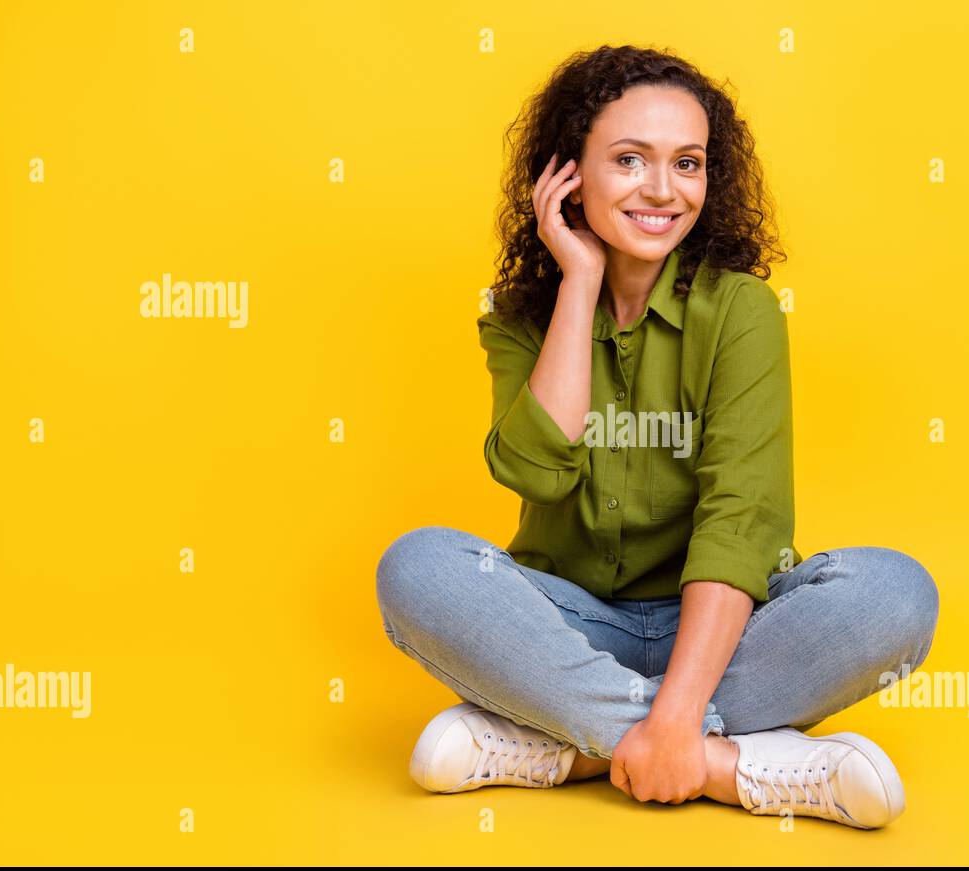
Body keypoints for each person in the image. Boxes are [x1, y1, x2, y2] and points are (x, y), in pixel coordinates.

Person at [375, 45, 939, 829]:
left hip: (717, 628)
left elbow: (743, 520)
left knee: (897, 595)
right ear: (568, 174)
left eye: (688, 163)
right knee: (418, 568)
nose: (663, 190)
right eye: (630, 160)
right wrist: (578, 282)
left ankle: (570, 748)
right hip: (569, 622)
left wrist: (674, 712)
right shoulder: (519, 319)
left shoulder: (741, 311)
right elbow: (537, 471)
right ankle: (729, 766)